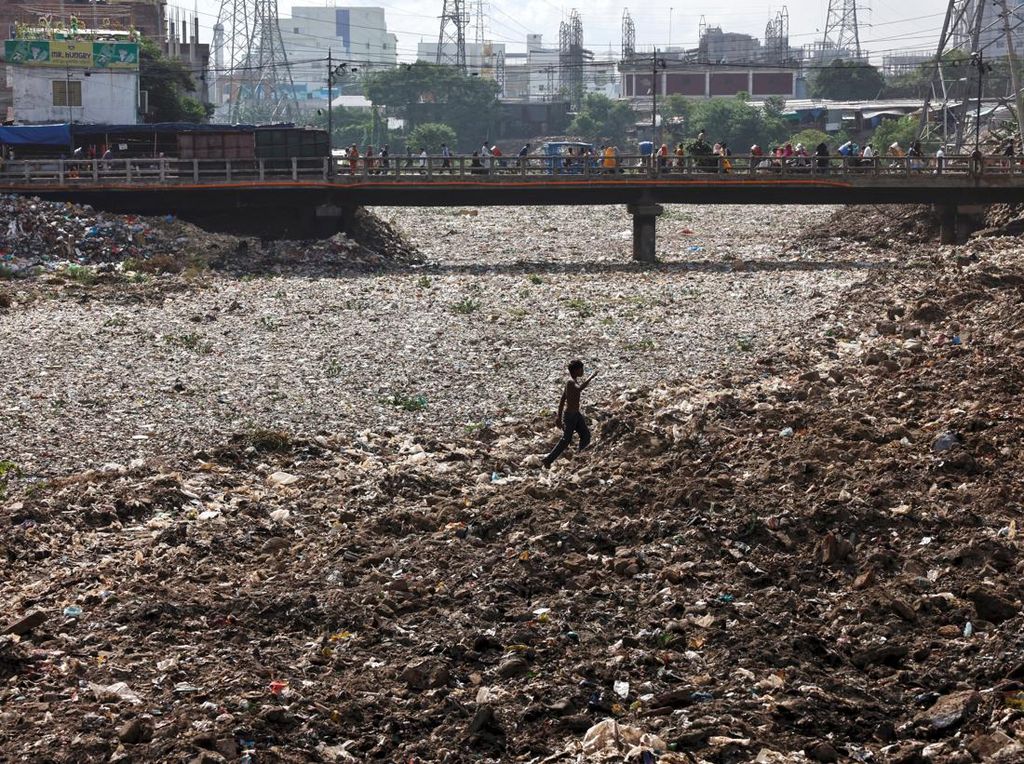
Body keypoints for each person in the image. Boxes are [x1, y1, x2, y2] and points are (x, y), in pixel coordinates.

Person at [542, 360, 599, 468]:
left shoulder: (572, 381)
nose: (582, 371)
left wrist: (558, 416)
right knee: (566, 439)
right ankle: (548, 459)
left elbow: (562, 399)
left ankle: (581, 457)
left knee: (585, 435)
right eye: (581, 369)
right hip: (570, 416)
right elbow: (579, 389)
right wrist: (591, 377)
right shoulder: (571, 382)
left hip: (576, 414)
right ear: (576, 370)